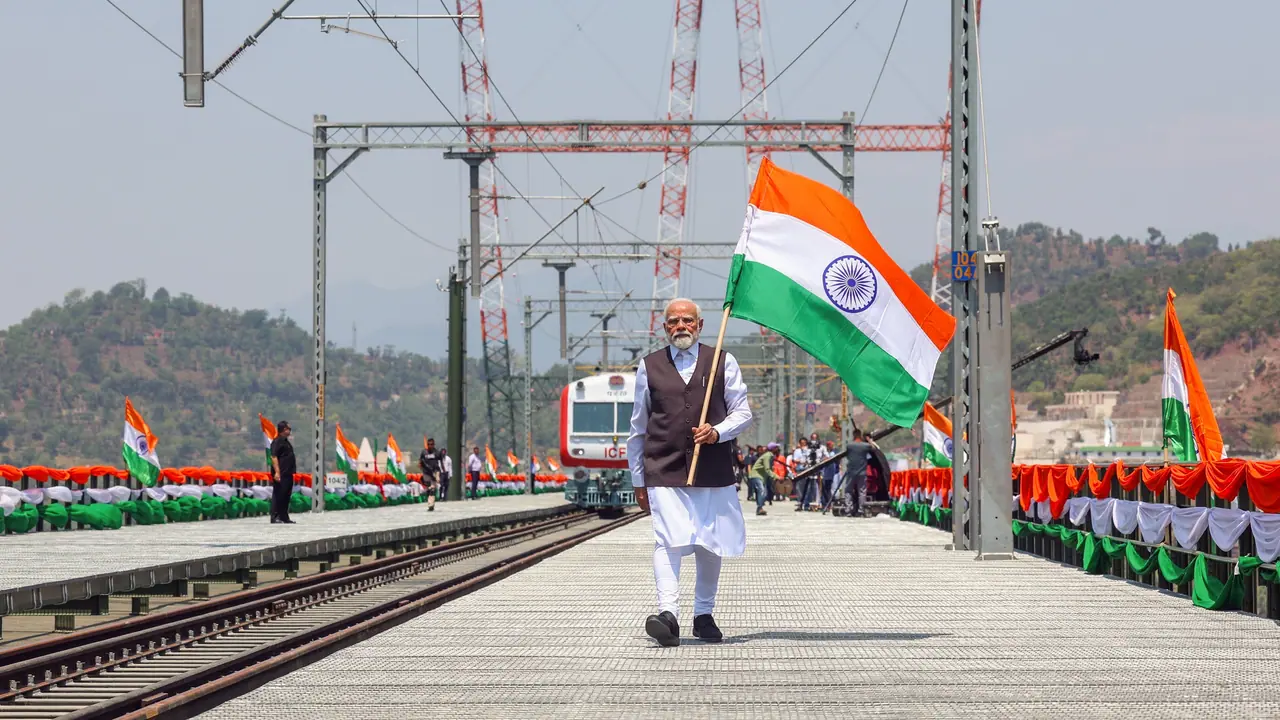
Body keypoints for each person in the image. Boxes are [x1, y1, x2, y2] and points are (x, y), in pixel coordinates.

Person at [628, 298, 753, 647]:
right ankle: (667, 615)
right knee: (668, 537)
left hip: (711, 467)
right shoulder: (649, 366)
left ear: (700, 325)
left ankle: (703, 614)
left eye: (687, 320)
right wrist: (638, 478)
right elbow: (638, 427)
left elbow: (742, 413)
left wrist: (717, 431)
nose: (680, 326)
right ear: (664, 327)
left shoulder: (723, 363)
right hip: (663, 466)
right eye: (673, 321)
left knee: (710, 541)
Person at [269, 420, 296, 524]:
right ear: (283, 430)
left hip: (288, 473)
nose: (289, 431)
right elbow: (274, 456)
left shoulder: (285, 441)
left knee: (286, 495)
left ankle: (284, 516)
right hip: (281, 473)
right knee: (278, 494)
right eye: (288, 429)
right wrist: (277, 472)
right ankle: (275, 516)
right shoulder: (277, 441)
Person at [747, 442, 779, 517]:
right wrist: (777, 477)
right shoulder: (767, 456)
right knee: (762, 491)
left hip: (761, 477)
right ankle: (759, 508)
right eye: (776, 447)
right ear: (773, 449)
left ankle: (760, 507)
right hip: (756, 475)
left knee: (763, 492)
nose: (778, 449)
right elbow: (767, 469)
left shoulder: (770, 456)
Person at [418, 439, 443, 511]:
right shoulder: (424, 452)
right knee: (428, 489)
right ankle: (430, 501)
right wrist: (421, 466)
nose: (430, 446)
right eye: (429, 444)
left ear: (434, 444)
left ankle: (431, 505)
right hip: (426, 473)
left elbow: (441, 461)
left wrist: (440, 472)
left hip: (435, 472)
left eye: (432, 444)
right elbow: (420, 461)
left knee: (432, 488)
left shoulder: (437, 452)